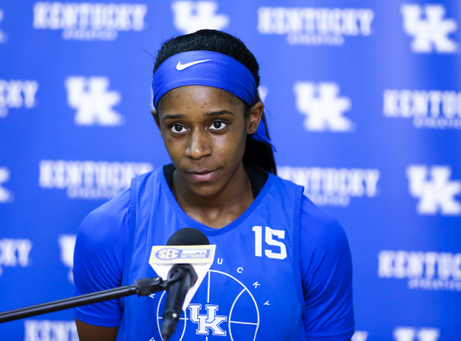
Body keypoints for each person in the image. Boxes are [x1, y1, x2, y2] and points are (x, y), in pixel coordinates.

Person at [73, 29, 354, 341]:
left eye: (217, 124)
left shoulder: (313, 234)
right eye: (177, 127)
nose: (196, 149)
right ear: (158, 124)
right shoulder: (111, 229)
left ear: (252, 118)